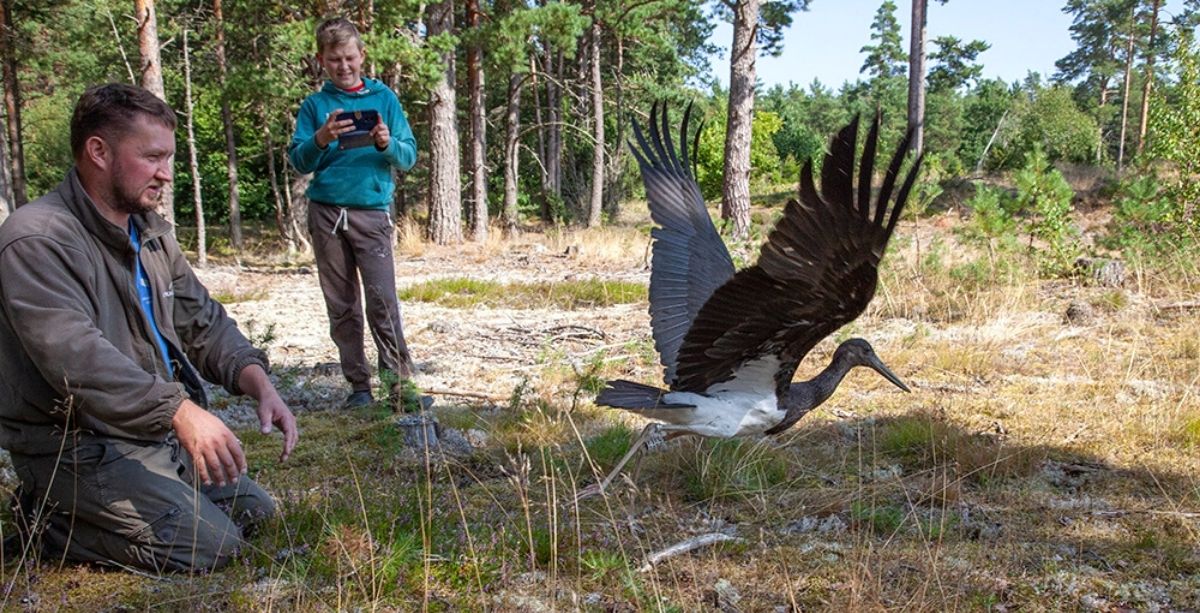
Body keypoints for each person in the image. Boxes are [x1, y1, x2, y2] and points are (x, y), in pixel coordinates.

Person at [0, 83, 299, 574]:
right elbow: (76, 359)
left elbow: (201, 319)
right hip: (73, 446)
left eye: (169, 157)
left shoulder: (150, 232)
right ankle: (47, 519)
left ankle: (118, 507)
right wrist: (179, 411)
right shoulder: (37, 238)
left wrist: (257, 381)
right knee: (213, 548)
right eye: (152, 157)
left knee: (257, 516)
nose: (165, 173)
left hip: (147, 436)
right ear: (98, 151)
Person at [289, 17, 428, 411]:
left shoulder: (385, 99)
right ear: (321, 60)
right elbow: (299, 161)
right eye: (334, 60)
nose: (343, 66)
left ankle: (400, 388)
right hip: (327, 212)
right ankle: (359, 389)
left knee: (382, 300)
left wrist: (386, 143)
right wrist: (321, 138)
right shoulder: (315, 106)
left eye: (350, 57)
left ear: (362, 56)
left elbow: (409, 156)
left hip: (371, 212)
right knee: (342, 305)